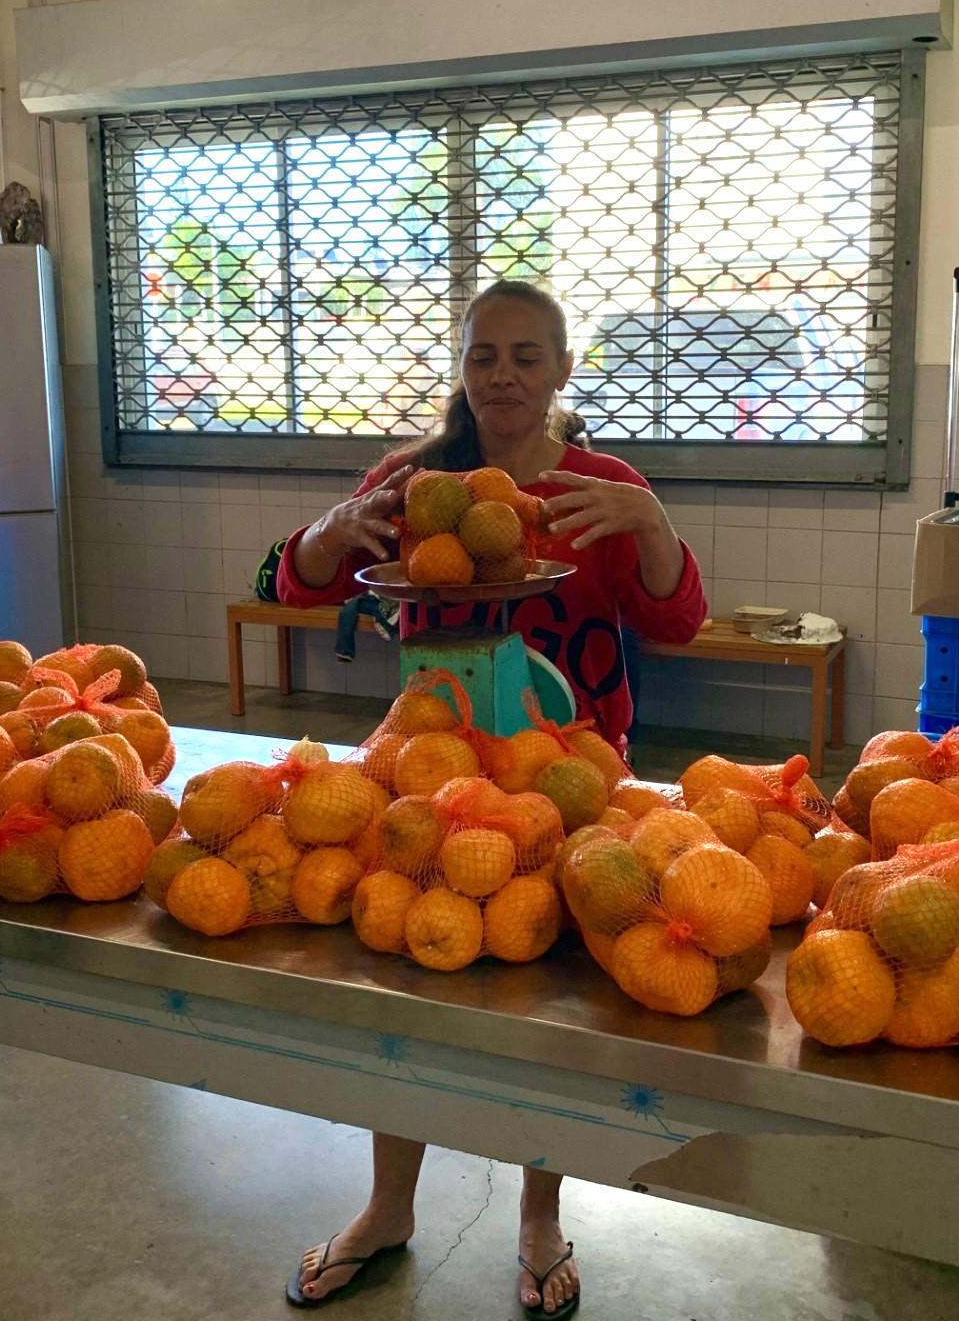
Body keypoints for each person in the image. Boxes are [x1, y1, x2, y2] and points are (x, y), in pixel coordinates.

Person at [277, 280, 708, 1315]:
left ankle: (538, 1213)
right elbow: (294, 583)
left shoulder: (600, 489)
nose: (503, 376)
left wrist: (648, 522)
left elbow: (682, 618)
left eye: (526, 356)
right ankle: (389, 1207)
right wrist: (333, 530)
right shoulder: (417, 483)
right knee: (406, 988)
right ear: (461, 369)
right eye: (484, 356)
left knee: (540, 1000)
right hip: (429, 777)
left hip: (567, 784)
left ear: (562, 369)